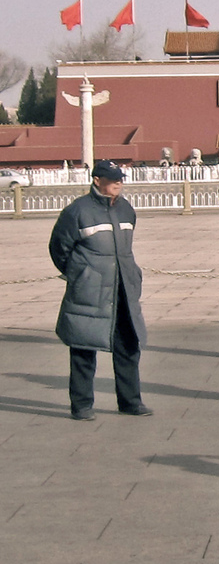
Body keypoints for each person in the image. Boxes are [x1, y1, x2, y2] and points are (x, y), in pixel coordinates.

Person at [48, 160, 152, 420]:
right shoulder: (77, 211)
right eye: (112, 178)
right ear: (97, 180)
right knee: (83, 348)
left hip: (123, 290)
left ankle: (130, 401)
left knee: (128, 346)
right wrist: (80, 273)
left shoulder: (126, 210)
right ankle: (81, 405)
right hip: (90, 291)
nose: (118, 182)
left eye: (120, 178)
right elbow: (58, 248)